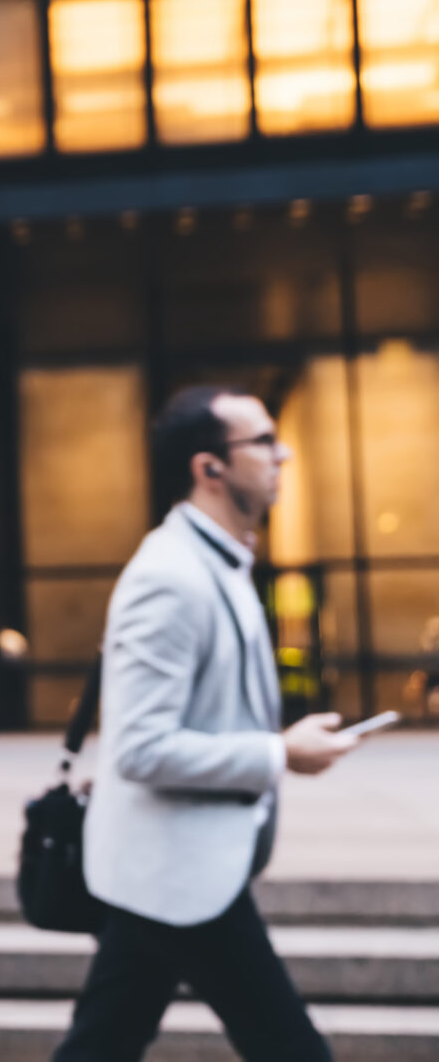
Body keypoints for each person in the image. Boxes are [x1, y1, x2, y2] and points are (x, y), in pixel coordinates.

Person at [53, 385, 360, 1062]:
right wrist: (278, 752)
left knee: (104, 1040)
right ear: (209, 467)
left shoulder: (216, 561)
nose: (282, 455)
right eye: (263, 441)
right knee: (292, 1049)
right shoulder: (170, 576)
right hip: (180, 873)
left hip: (171, 869)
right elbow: (139, 747)